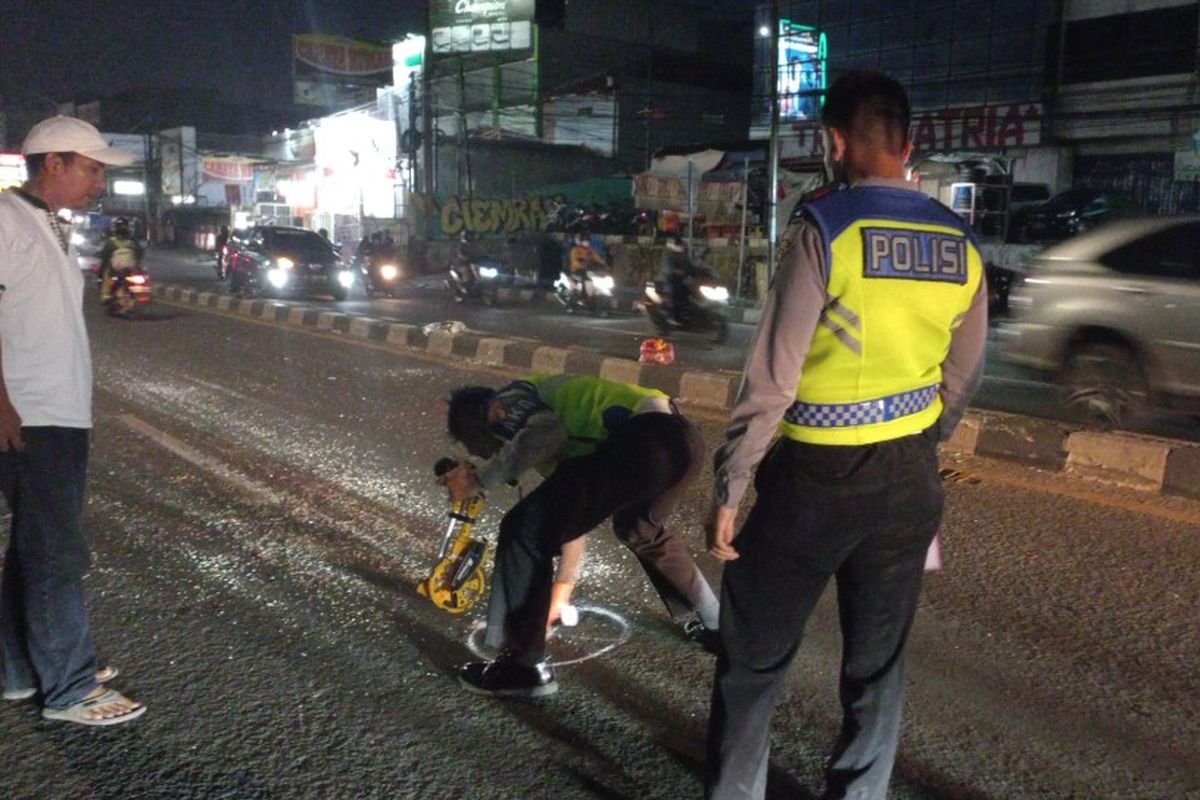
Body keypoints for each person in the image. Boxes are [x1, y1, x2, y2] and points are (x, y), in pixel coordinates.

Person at [703, 70, 987, 800]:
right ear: (909, 142)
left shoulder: (826, 227)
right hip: (910, 480)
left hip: (814, 481)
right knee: (877, 665)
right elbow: (960, 377)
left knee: (755, 658)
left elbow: (773, 375)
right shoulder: (961, 243)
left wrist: (732, 484)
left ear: (833, 140)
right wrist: (920, 441)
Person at [441, 373, 721, 697]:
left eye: (477, 446)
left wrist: (478, 479)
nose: (488, 453)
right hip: (681, 442)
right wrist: (559, 596)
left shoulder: (507, 402)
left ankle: (523, 667)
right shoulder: (554, 418)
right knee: (639, 529)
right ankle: (716, 625)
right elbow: (572, 519)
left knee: (522, 531)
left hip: (644, 440)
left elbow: (547, 434)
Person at [0, 116, 146, 726]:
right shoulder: (6, 221)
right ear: (52, 164)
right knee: (58, 552)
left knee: (33, 547)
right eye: (90, 168)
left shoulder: (51, 225)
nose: (98, 181)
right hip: (30, 412)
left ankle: (17, 670)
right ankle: (69, 685)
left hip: (56, 411)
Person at [97, 216, 143, 304]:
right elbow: (140, 253)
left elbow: (104, 255)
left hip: (115, 270)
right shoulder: (133, 241)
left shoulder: (111, 242)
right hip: (130, 269)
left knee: (105, 272)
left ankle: (106, 295)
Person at [660, 237, 697, 324]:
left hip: (683, 280)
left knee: (690, 291)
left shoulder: (685, 256)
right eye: (679, 245)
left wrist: (698, 272)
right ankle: (671, 315)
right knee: (675, 293)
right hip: (672, 280)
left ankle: (687, 311)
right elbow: (667, 268)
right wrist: (675, 272)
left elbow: (691, 267)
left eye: (682, 245)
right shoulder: (670, 256)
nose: (681, 247)